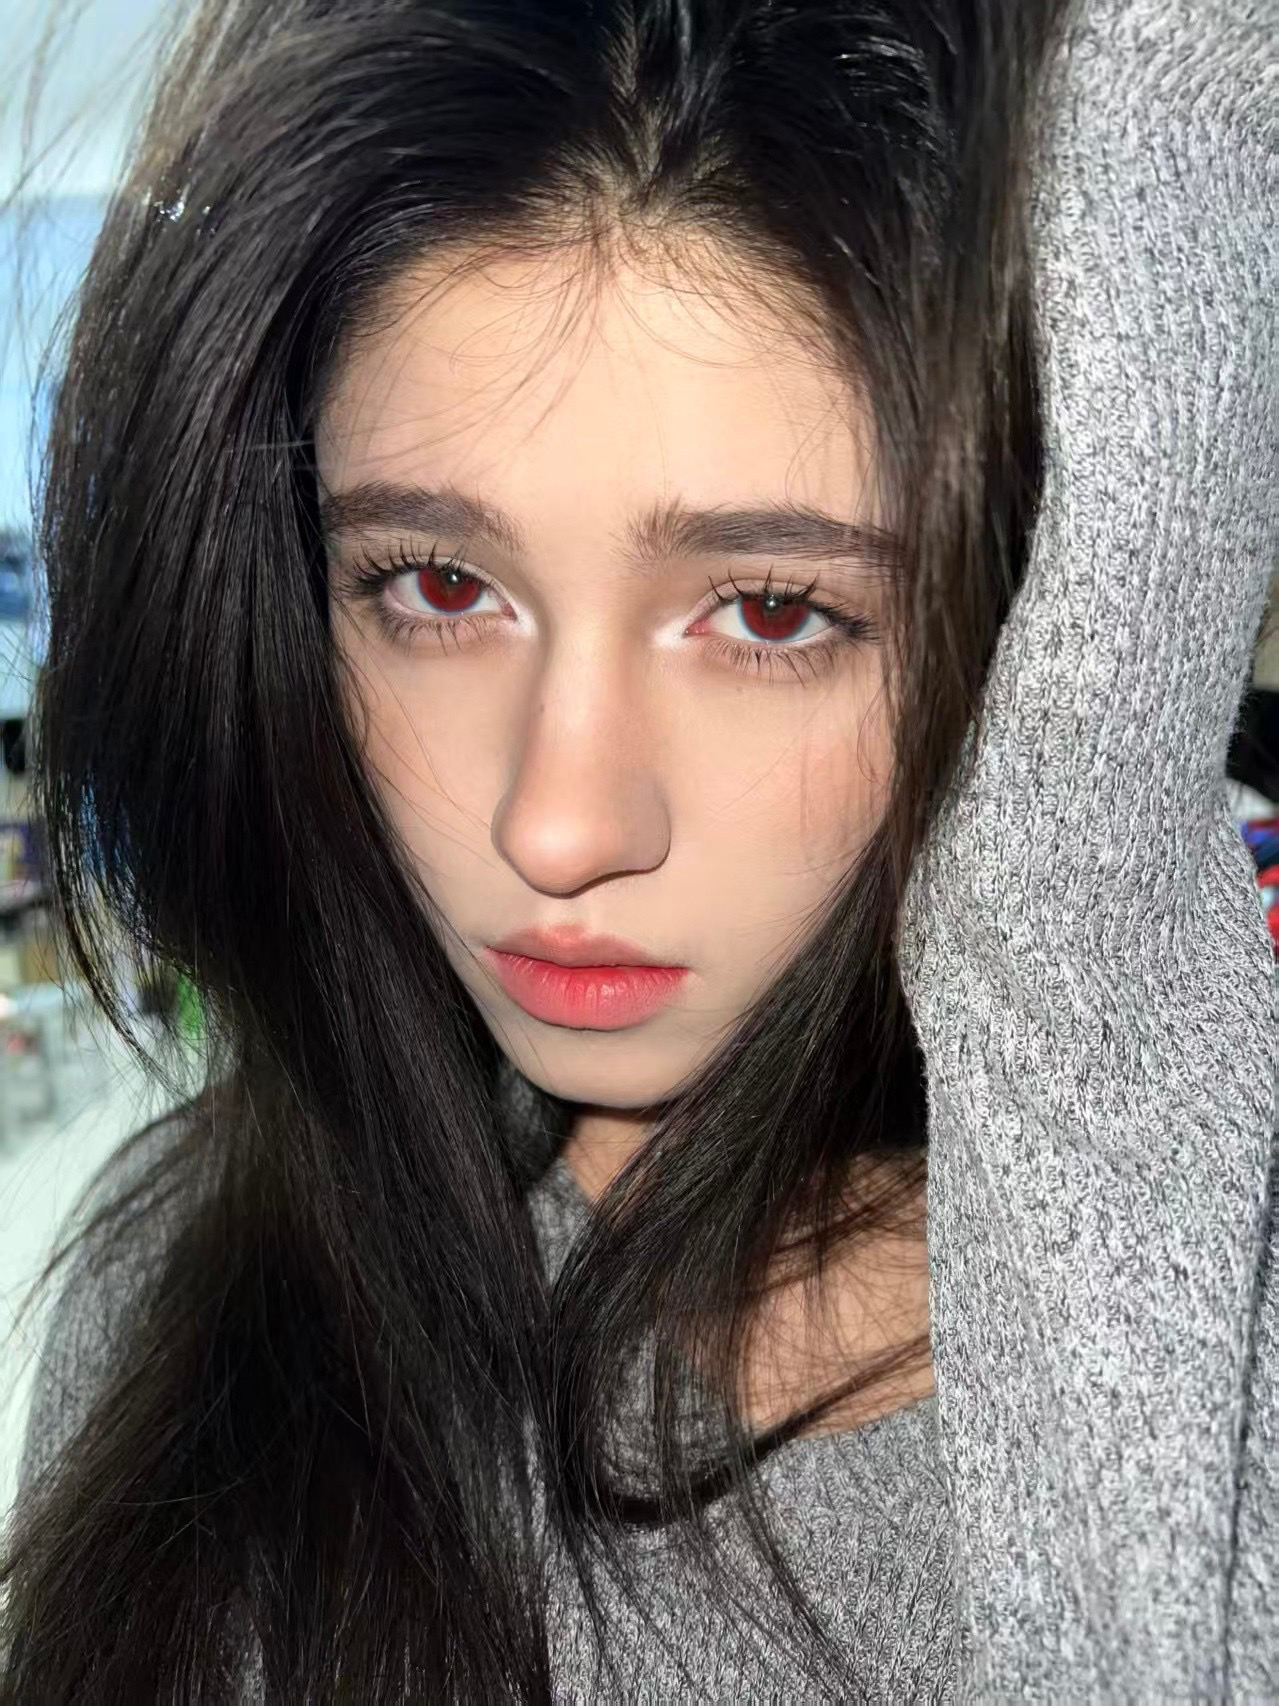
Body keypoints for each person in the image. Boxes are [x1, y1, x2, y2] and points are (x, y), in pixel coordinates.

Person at [2, 0, 1274, 1696]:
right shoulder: (186, 1278)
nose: (557, 823)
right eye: (437, 586)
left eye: (773, 611)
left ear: (1040, 646)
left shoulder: (1220, 1381)